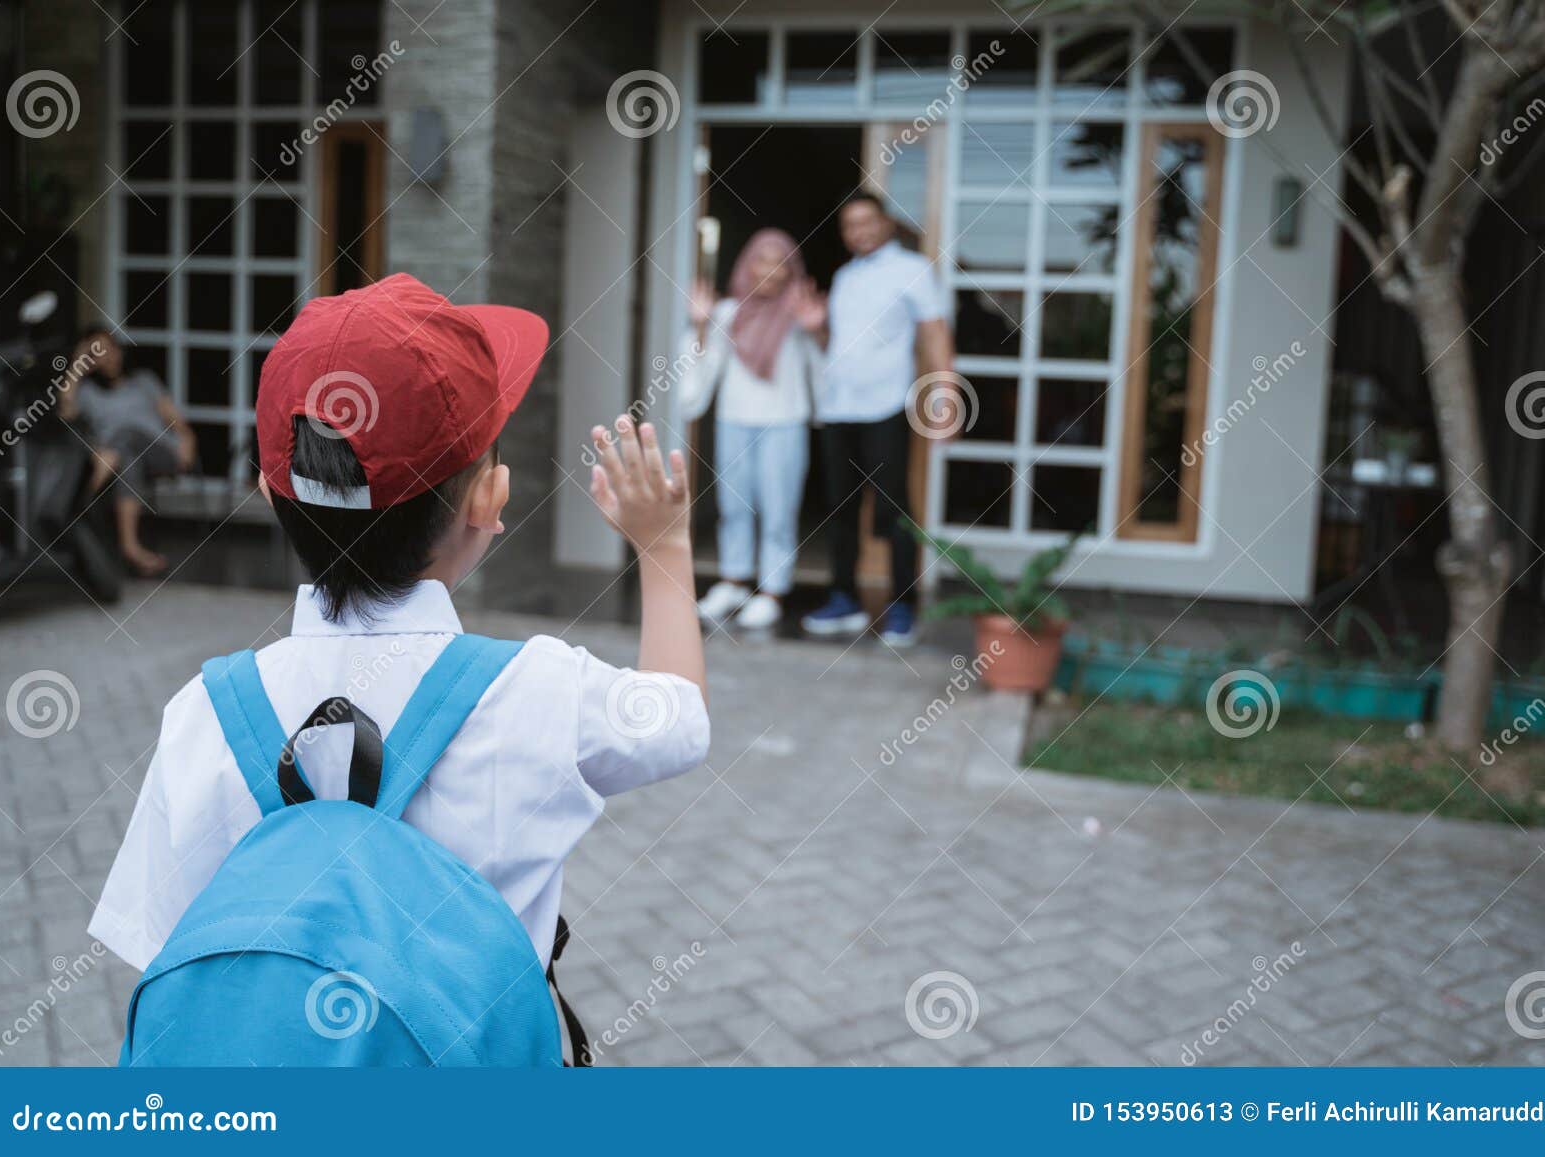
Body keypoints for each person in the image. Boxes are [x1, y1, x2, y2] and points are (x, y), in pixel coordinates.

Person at [88, 274, 710, 995]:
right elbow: (681, 719)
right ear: (491, 497)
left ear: (267, 487)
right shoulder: (540, 690)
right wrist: (664, 550)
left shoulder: (204, 713)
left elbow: (164, 950)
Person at [800, 192, 955, 647]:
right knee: (840, 509)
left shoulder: (914, 270)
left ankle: (903, 606)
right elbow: (837, 346)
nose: (860, 232)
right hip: (838, 408)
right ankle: (844, 599)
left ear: (887, 222)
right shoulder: (845, 276)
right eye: (850, 225)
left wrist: (945, 400)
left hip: (886, 407)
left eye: (867, 221)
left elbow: (935, 336)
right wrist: (816, 328)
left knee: (893, 509)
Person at [682, 228, 825, 630]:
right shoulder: (728, 312)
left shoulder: (798, 315)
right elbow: (702, 367)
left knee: (779, 510)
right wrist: (699, 325)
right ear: (748, 264)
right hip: (735, 420)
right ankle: (733, 581)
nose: (771, 271)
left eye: (781, 262)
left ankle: (772, 591)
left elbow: (824, 370)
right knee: (733, 507)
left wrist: (816, 329)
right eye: (763, 260)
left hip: (784, 422)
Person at [59, 327, 197, 576]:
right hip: (122, 461)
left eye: (111, 348)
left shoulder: (144, 380)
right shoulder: (88, 393)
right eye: (98, 351)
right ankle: (131, 548)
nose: (109, 355)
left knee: (126, 437)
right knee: (127, 457)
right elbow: (66, 413)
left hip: (162, 452)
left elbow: (176, 421)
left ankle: (78, 501)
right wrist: (75, 367)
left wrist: (187, 439)